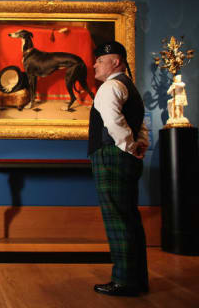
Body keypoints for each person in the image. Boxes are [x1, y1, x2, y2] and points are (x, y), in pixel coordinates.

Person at [88, 41, 150, 297]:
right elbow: (139, 122)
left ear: (115, 61)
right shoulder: (129, 87)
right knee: (130, 219)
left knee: (117, 220)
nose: (94, 64)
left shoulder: (111, 86)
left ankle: (124, 281)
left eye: (99, 60)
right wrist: (139, 144)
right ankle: (137, 279)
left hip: (111, 157)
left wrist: (128, 145)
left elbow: (114, 121)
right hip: (125, 158)